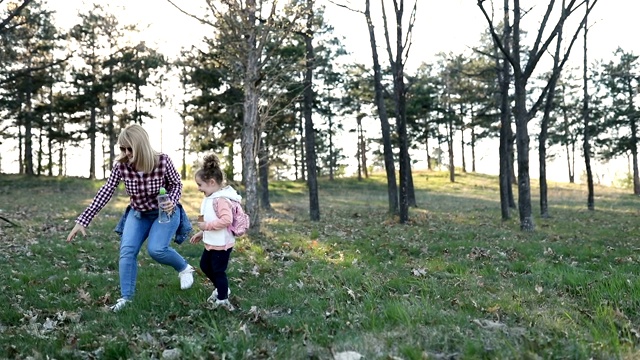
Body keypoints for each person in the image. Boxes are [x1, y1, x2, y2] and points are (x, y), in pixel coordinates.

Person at [66, 124, 195, 312]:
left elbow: (176, 184)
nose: (126, 152)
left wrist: (172, 201)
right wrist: (83, 220)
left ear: (141, 145)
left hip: (164, 213)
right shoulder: (122, 166)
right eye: (122, 148)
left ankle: (184, 268)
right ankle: (127, 298)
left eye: (130, 148)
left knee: (157, 250)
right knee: (127, 251)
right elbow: (106, 191)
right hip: (138, 214)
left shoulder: (162, 161)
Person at [190, 154, 241, 311]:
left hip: (222, 243)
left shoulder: (221, 200)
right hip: (212, 242)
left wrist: (207, 226)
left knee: (218, 271)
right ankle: (221, 288)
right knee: (205, 266)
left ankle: (223, 298)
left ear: (211, 182)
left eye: (200, 185)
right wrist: (201, 233)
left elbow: (226, 220)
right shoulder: (210, 198)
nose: (198, 188)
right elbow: (208, 221)